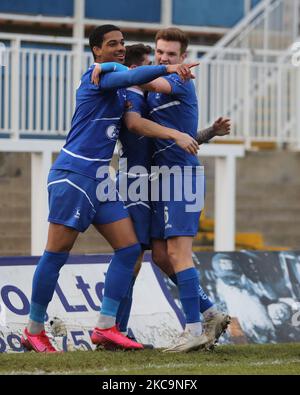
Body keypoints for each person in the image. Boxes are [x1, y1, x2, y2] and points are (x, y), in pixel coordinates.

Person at [20, 24, 199, 353]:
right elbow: (129, 77)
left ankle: (105, 326)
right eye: (112, 44)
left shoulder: (116, 84)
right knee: (56, 254)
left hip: (100, 179)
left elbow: (130, 101)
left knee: (130, 250)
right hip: (73, 174)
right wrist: (168, 67)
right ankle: (33, 328)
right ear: (95, 51)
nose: (119, 47)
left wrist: (117, 65)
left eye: (122, 43)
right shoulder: (96, 77)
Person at [92, 37, 231, 352]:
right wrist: (202, 132)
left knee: (151, 256)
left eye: (169, 55)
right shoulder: (137, 93)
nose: (162, 60)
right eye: (158, 54)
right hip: (141, 180)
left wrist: (203, 133)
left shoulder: (167, 86)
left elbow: (177, 138)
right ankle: (208, 313)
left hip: (172, 179)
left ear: (182, 56)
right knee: (153, 256)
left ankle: (188, 327)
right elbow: (160, 131)